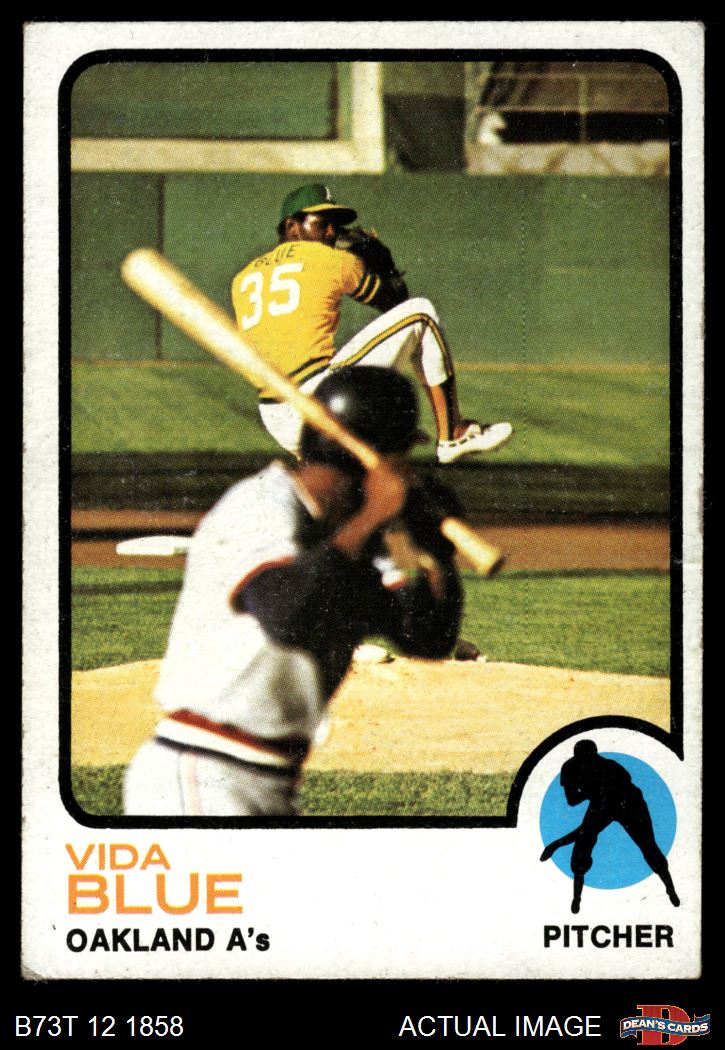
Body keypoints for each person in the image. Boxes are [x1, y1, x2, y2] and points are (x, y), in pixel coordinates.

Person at [124, 367, 463, 817]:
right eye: (403, 455)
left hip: (268, 781)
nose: (409, 469)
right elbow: (286, 614)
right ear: (370, 456)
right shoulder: (261, 505)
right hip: (203, 768)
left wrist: (434, 553)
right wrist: (374, 516)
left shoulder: (355, 538)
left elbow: (426, 636)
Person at [231, 183, 513, 465]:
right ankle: (453, 433)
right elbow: (396, 303)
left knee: (352, 475)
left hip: (276, 417)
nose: (331, 232)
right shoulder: (332, 259)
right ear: (292, 226)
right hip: (321, 397)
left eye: (335, 225)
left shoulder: (242, 279)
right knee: (421, 313)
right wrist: (384, 264)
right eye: (323, 223)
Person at [540, 739, 680, 914]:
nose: (586, 763)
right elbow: (572, 801)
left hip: (629, 802)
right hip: (601, 802)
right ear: (576, 757)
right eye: (582, 759)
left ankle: (670, 889)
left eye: (589, 759)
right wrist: (592, 792)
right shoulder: (570, 768)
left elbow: (584, 828)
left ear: (595, 756)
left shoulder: (611, 769)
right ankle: (577, 897)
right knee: (581, 850)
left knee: (649, 847)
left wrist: (556, 844)